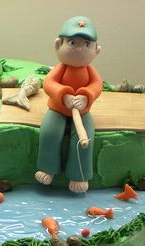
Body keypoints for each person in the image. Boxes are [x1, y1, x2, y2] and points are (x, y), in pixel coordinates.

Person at [35, 16, 102, 193]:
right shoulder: (61, 68)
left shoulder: (89, 70)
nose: (79, 48)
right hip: (58, 109)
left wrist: (86, 97)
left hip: (82, 112)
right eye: (72, 42)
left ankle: (79, 174)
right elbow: (49, 83)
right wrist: (62, 94)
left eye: (87, 44)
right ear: (59, 45)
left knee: (84, 138)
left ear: (97, 50)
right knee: (49, 133)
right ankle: (47, 167)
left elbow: (96, 85)